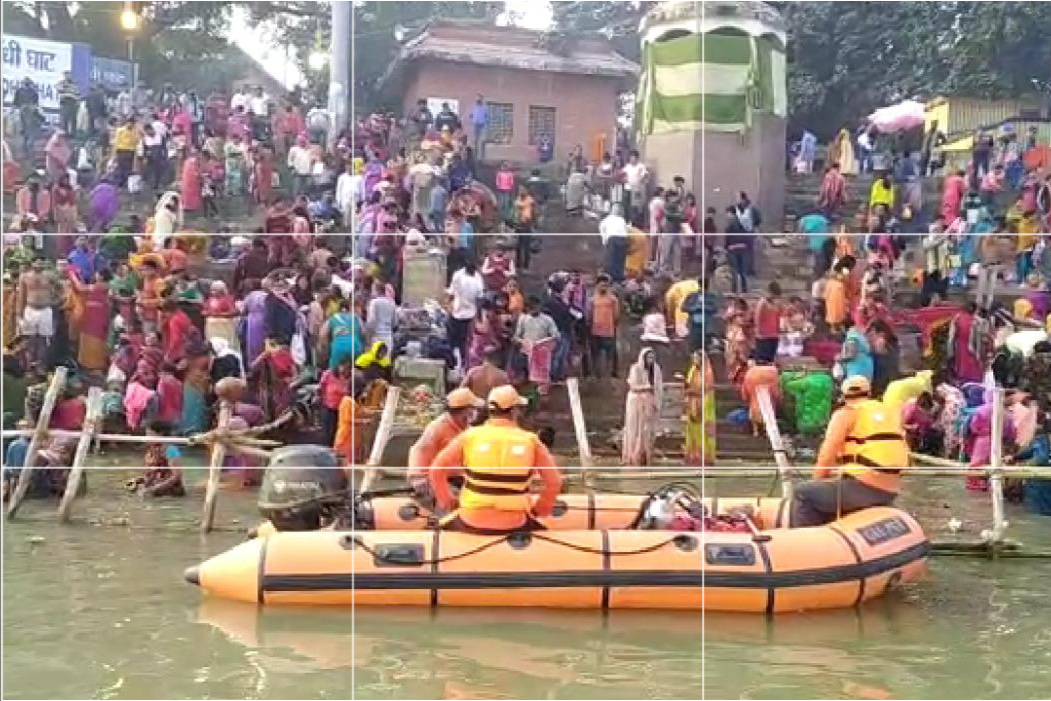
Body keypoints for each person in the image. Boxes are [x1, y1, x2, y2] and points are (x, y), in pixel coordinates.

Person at [429, 385, 562, 534]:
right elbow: (554, 482)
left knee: (434, 528)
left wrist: (448, 501)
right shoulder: (531, 441)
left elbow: (436, 470)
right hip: (515, 522)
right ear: (514, 411)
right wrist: (540, 509)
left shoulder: (469, 436)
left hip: (471, 519)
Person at [795, 376, 907, 527]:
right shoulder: (888, 413)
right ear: (869, 393)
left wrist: (816, 480)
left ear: (843, 395)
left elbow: (827, 453)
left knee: (804, 492)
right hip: (890, 490)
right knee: (829, 489)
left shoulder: (845, 414)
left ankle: (806, 542)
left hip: (864, 488)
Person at [407, 388, 484, 475]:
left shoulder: (465, 427)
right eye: (473, 409)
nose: (475, 412)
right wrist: (418, 476)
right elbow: (419, 450)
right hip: (437, 478)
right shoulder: (437, 428)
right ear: (464, 411)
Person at [623, 347, 663, 466]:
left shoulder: (656, 369)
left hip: (649, 402)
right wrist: (646, 387)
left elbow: (659, 387)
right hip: (635, 401)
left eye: (652, 357)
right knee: (634, 429)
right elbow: (633, 385)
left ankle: (645, 456)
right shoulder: (635, 368)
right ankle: (632, 456)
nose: (651, 360)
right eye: (649, 357)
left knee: (647, 430)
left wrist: (656, 402)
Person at [587, 274, 620, 378]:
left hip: (609, 332)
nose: (603, 288)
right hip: (595, 331)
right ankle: (597, 375)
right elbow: (589, 315)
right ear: (597, 286)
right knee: (595, 355)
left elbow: (616, 315)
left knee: (610, 355)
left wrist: (613, 326)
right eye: (601, 285)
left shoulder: (613, 299)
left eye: (605, 286)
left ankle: (609, 375)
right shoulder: (592, 300)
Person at [469, 94, 488, 158]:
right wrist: (473, 121)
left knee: (482, 140)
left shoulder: (485, 107)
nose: (478, 100)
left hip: (482, 125)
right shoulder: (473, 107)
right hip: (475, 125)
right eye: (477, 99)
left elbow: (487, 116)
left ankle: (482, 155)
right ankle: (475, 155)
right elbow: (470, 115)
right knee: (475, 140)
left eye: (479, 99)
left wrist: (485, 124)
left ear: (482, 99)